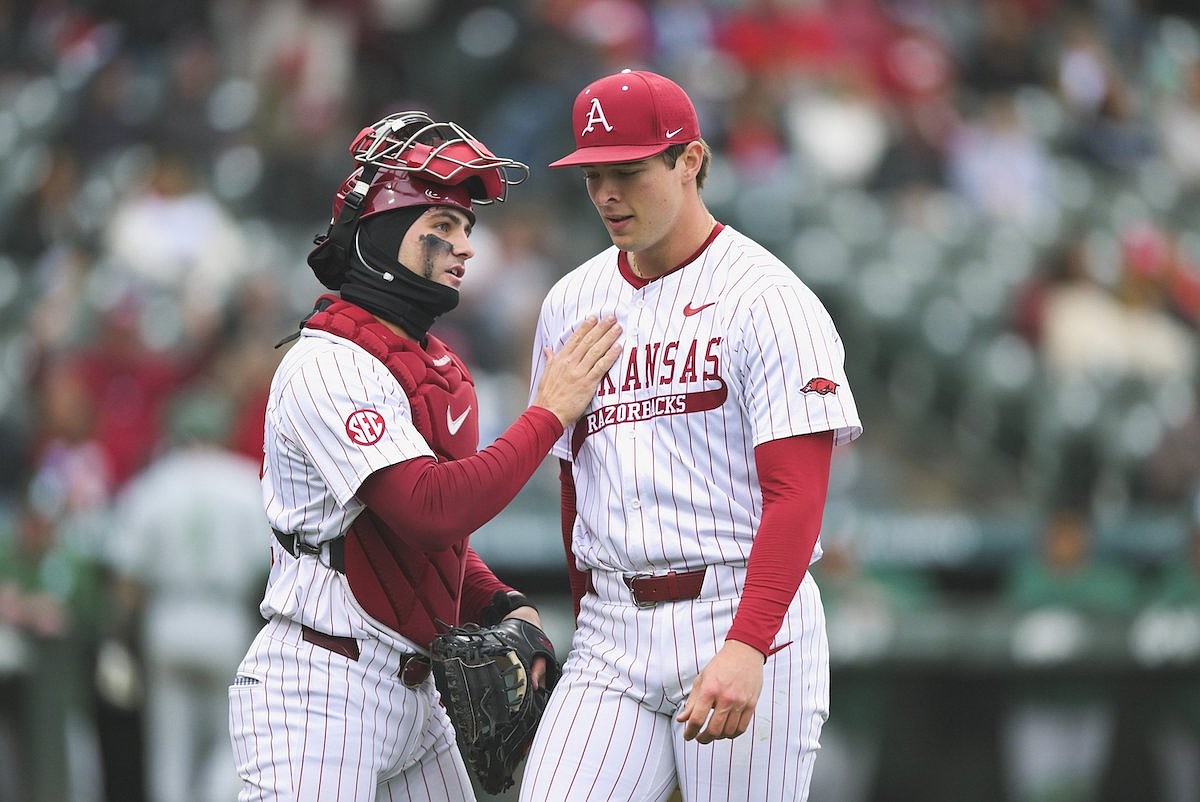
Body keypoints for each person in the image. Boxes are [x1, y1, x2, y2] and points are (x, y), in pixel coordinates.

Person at [227, 111, 622, 801]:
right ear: (378, 233)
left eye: (466, 228)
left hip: (417, 691)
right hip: (322, 686)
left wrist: (501, 602)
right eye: (439, 226)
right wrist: (548, 412)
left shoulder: (433, 364)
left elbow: (426, 547)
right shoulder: (328, 362)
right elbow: (429, 510)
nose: (463, 245)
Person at [521, 69, 863, 802]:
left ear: (690, 160)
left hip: (739, 607)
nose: (607, 194)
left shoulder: (768, 299)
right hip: (613, 630)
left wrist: (747, 644)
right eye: (593, 176)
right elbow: (573, 484)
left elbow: (797, 495)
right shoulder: (570, 303)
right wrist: (586, 621)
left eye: (629, 172)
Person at [106, 388, 269, 802]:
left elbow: (127, 576)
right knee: (230, 742)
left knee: (169, 746)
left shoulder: (154, 483)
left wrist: (117, 640)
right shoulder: (245, 480)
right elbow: (267, 569)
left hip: (169, 615)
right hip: (224, 616)